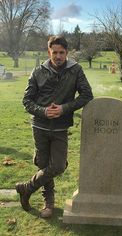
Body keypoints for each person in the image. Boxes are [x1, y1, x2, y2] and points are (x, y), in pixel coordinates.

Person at [15, 36, 93, 218]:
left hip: (60, 128)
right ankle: (48, 204)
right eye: (54, 52)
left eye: (62, 53)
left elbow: (87, 95)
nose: (58, 56)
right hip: (39, 126)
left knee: (57, 165)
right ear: (49, 51)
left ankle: (26, 188)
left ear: (67, 52)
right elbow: (26, 100)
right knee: (43, 165)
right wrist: (43, 111)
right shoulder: (37, 72)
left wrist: (64, 108)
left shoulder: (76, 70)